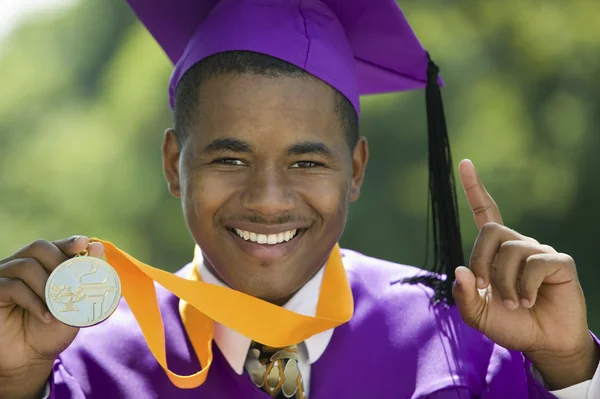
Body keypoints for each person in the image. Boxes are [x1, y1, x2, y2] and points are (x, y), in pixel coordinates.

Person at [0, 0, 598, 398]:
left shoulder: (461, 343)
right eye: (228, 159)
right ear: (172, 164)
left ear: (356, 169)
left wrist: (572, 370)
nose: (266, 199)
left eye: (306, 161)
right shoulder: (79, 368)